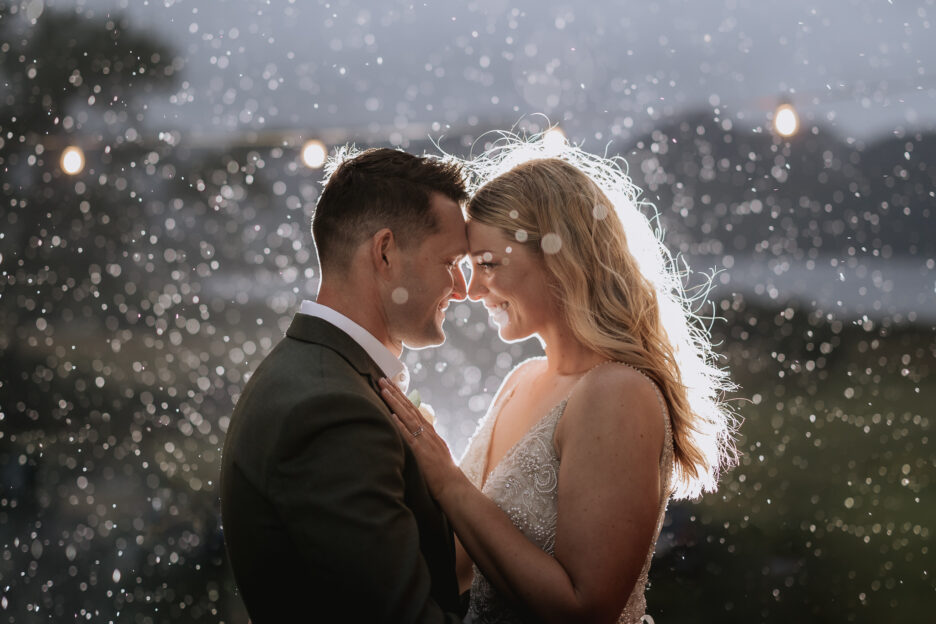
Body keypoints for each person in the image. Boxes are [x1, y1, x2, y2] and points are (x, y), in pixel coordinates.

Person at [380, 138, 738, 623]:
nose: (471, 288)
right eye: (468, 266)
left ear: (559, 258)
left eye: (487, 264)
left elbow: (585, 611)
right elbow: (457, 565)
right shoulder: (520, 381)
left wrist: (447, 481)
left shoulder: (618, 394)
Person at [220, 147, 472, 622]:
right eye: (450, 261)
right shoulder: (330, 408)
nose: (461, 288)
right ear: (385, 253)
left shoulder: (321, 375)